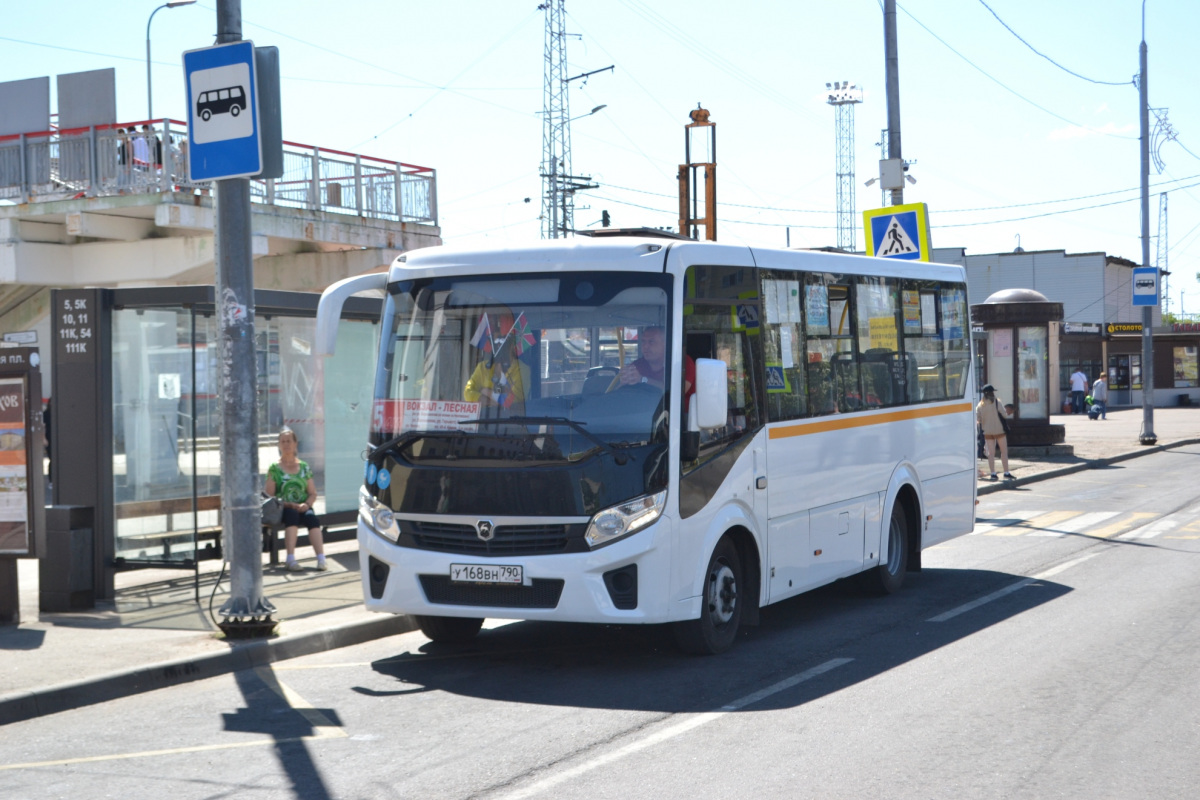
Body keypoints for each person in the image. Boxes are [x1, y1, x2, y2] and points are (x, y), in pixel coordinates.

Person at [264, 426, 327, 571]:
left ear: (295, 444)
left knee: (312, 519)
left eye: (289, 441)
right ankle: (290, 559)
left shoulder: (304, 467)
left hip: (303, 506)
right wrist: (289, 504)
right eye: (283, 442)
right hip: (284, 508)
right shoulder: (274, 468)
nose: (286, 444)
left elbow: (312, 492)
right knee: (292, 516)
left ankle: (321, 559)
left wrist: (307, 504)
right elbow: (269, 496)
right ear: (279, 445)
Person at [613, 325, 696, 410]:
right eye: (643, 342)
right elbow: (619, 396)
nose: (645, 346)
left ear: (666, 344)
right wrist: (623, 384)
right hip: (645, 414)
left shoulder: (682, 362)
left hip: (679, 417)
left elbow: (678, 392)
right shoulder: (637, 365)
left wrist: (643, 379)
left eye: (651, 342)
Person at [464, 335, 530, 410]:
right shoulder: (482, 367)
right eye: (495, 343)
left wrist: (485, 391)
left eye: (503, 343)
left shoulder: (522, 370)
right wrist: (495, 402)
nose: (499, 347)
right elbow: (467, 393)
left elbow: (515, 402)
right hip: (485, 419)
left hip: (510, 419)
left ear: (511, 346)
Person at [976, 384, 1013, 481]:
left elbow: (978, 419)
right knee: (1003, 452)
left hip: (988, 432)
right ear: (992, 393)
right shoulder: (997, 402)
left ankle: (993, 473)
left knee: (990, 453)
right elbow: (1004, 415)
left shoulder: (980, 405)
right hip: (999, 430)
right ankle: (1006, 472)